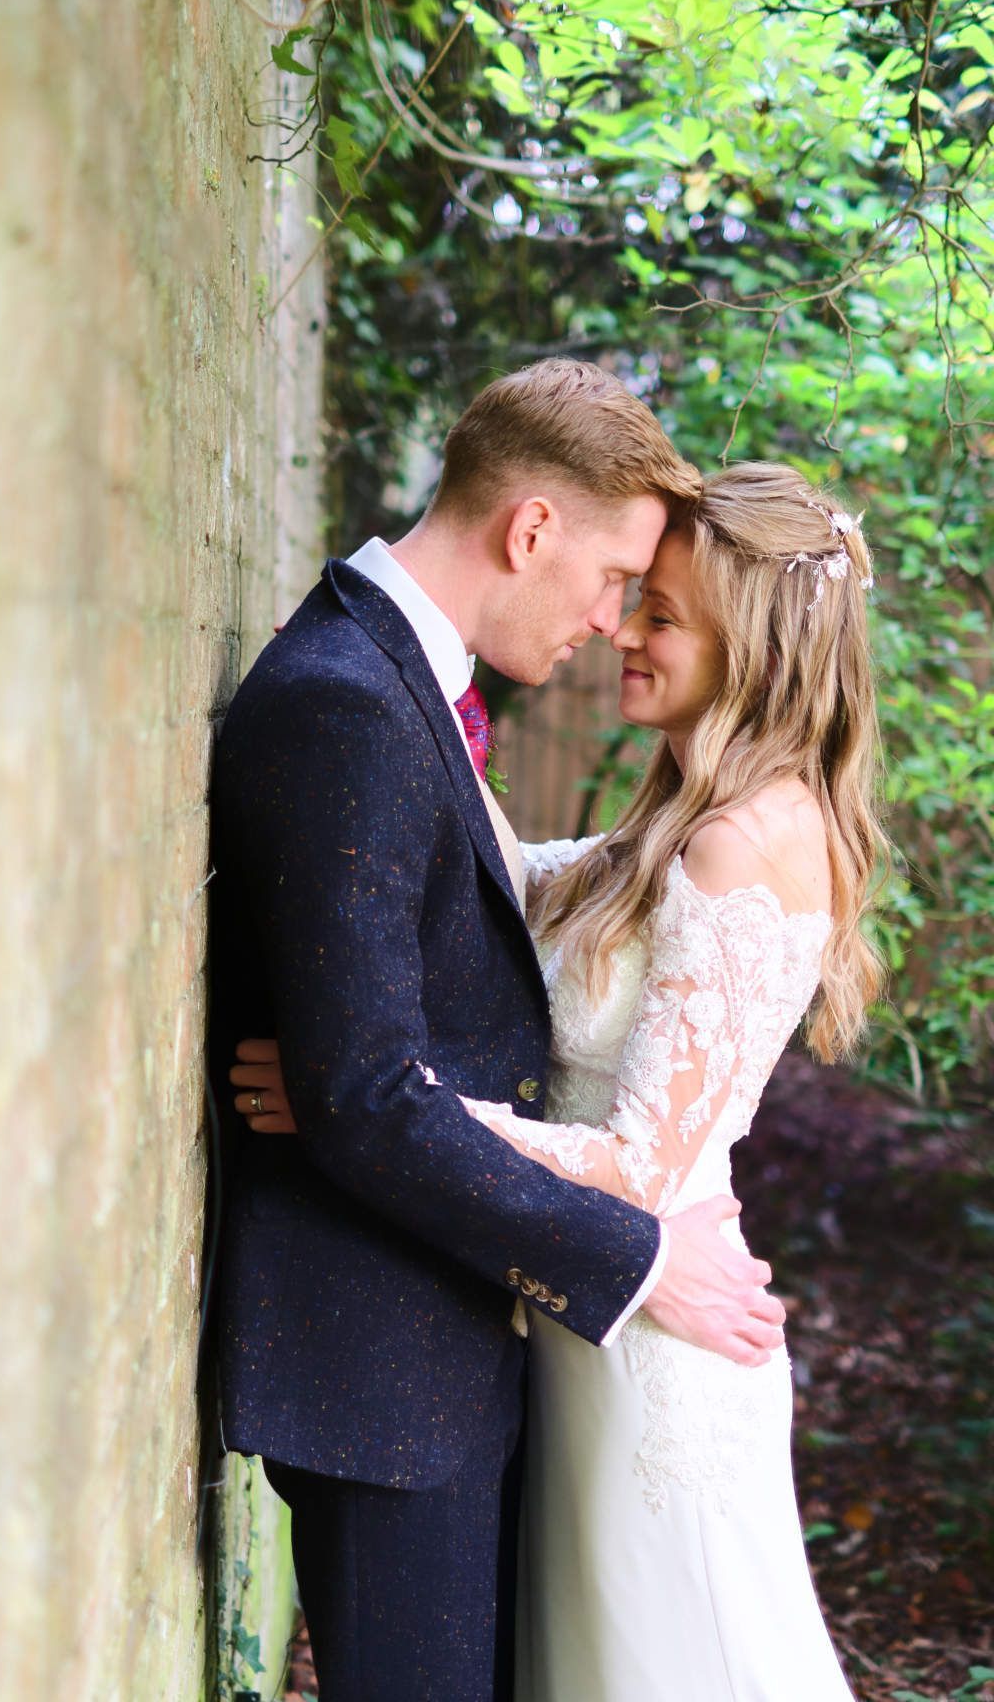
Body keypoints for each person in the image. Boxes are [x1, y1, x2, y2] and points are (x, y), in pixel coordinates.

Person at [233, 461, 885, 1699]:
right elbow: (511, 879)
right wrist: (398, 692)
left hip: (656, 1345)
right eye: (636, 598)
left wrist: (370, 1096)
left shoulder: (744, 841)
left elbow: (639, 1164)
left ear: (750, 646)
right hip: (584, 1323)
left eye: (664, 615)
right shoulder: (678, 820)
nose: (625, 631)